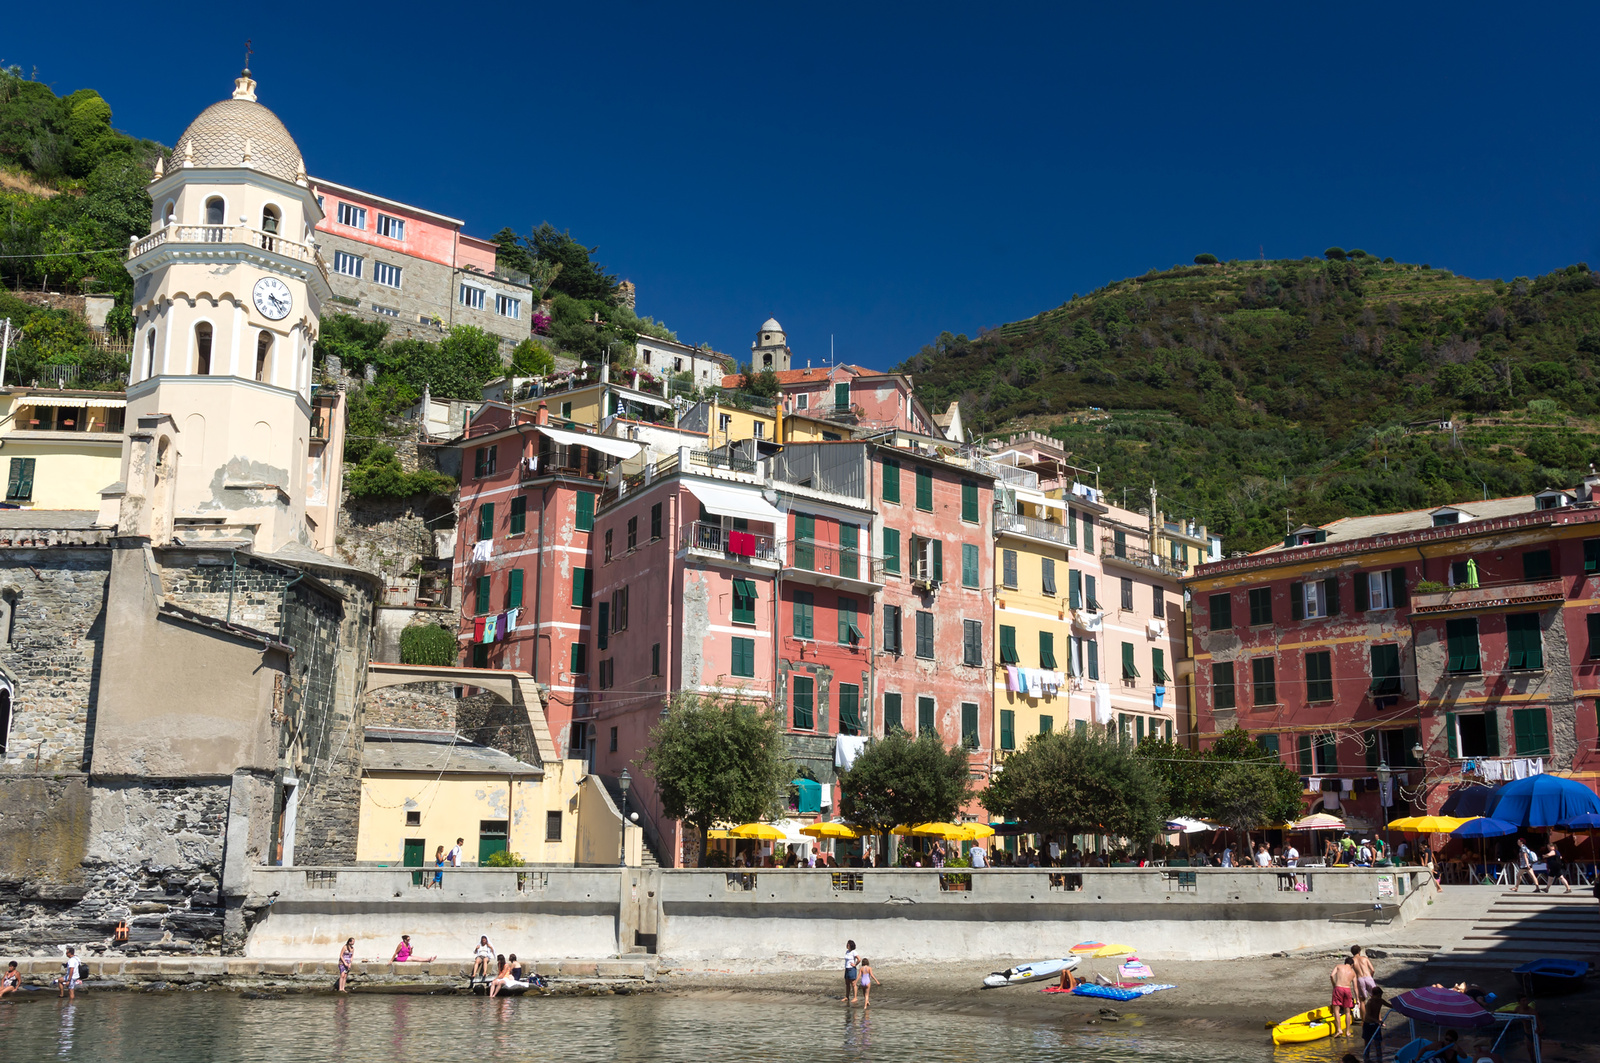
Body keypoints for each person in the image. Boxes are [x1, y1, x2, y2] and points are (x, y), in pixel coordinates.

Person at [1330, 957, 1358, 1035]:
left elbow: (1332, 975)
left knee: (1336, 1009)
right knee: (1347, 1011)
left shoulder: (1338, 966)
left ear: (1345, 962)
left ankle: (1339, 1029)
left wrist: (1334, 985)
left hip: (1338, 988)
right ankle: (1348, 1031)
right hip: (1347, 989)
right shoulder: (1353, 973)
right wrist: (1357, 999)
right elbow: (1355, 987)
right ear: (1352, 965)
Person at [1361, 986, 1386, 1062]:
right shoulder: (1370, 1002)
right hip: (1368, 1024)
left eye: (1380, 996)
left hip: (1375, 1025)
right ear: (1373, 995)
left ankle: (1379, 1058)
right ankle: (1366, 1057)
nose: (1379, 997)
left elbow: (1390, 1005)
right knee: (1367, 1041)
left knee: (1378, 1042)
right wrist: (1377, 1021)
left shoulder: (1381, 1001)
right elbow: (1367, 1015)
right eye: (1378, 996)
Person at [842, 939, 859, 1003]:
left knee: (853, 983)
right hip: (847, 968)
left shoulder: (854, 952)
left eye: (848, 944)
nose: (847, 945)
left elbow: (859, 959)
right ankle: (847, 997)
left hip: (852, 969)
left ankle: (855, 997)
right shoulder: (847, 951)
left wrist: (855, 964)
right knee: (847, 983)